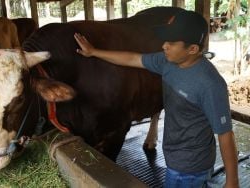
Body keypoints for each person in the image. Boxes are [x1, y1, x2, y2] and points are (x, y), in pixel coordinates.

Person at [74, 10, 239, 188]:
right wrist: (93, 52)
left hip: (190, 167)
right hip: (173, 155)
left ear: (193, 49)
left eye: (172, 42)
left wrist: (232, 181)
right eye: (165, 40)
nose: (164, 46)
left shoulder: (210, 84)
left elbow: (225, 134)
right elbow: (133, 58)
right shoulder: (167, 62)